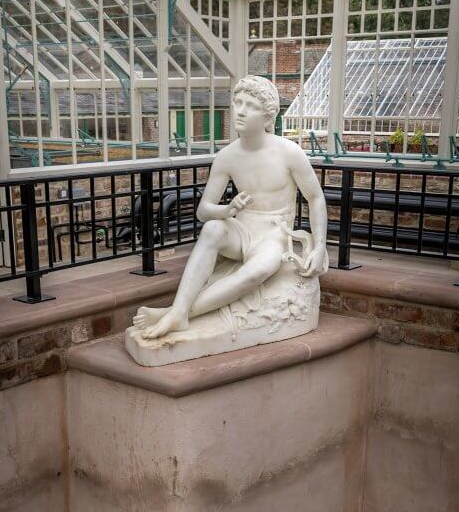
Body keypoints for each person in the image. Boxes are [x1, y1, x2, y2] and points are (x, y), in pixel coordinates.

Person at [133, 76, 328, 340]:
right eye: (238, 102)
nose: (241, 110)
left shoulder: (289, 152)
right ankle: (178, 311)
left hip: (274, 234)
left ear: (268, 117)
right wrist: (228, 211)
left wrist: (320, 246)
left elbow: (315, 197)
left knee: (259, 271)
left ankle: (179, 313)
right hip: (242, 229)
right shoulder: (227, 157)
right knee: (213, 229)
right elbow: (204, 211)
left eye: (251, 105)